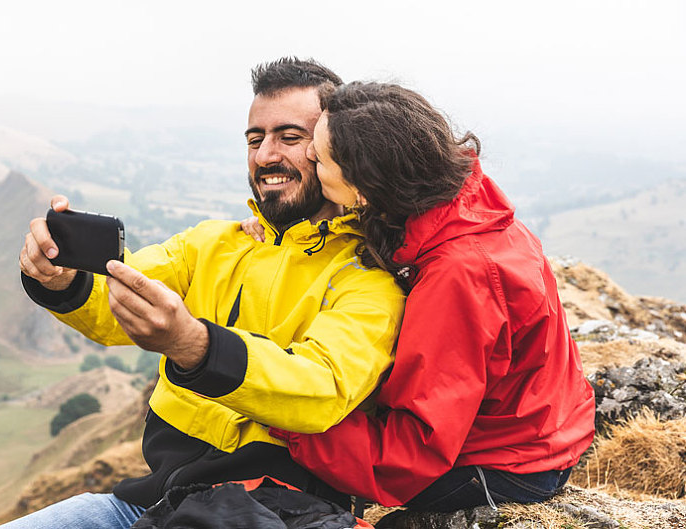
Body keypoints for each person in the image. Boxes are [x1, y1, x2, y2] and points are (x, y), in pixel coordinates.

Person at [7, 60, 405, 528]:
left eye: (290, 138)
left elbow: (322, 386)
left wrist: (194, 347)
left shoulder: (367, 275)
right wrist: (64, 280)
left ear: (332, 149)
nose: (264, 156)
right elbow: (123, 292)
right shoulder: (213, 243)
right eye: (255, 139)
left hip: (277, 513)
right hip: (152, 503)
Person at [245, 82, 596, 512]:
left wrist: (286, 416)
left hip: (505, 465)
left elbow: (409, 454)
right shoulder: (460, 209)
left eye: (320, 154)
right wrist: (279, 231)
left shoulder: (457, 275)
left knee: (284, 475)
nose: (311, 157)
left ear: (364, 187)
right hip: (544, 426)